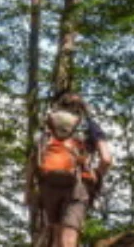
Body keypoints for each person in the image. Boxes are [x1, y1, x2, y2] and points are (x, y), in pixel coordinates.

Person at [24, 91, 113, 247]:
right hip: (78, 185)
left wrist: (28, 190)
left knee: (55, 235)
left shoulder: (47, 125)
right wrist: (96, 176)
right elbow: (106, 159)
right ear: (83, 107)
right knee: (69, 237)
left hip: (48, 183)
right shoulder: (89, 125)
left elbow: (33, 159)